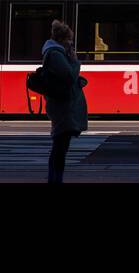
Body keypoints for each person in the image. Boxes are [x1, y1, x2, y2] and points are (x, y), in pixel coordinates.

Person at [42, 20, 88, 184]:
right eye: (69, 40)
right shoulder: (55, 54)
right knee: (60, 147)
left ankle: (54, 178)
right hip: (62, 106)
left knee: (60, 146)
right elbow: (69, 76)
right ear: (62, 39)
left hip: (63, 105)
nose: (71, 44)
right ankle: (55, 179)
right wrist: (75, 61)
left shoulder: (56, 53)